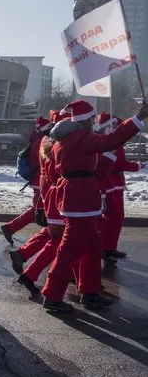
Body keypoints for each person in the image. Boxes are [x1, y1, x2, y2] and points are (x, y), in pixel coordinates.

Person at [41, 100, 148, 312]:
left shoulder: (69, 138)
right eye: (92, 119)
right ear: (86, 120)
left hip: (81, 196)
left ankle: (89, 292)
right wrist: (138, 118)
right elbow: (111, 140)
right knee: (69, 250)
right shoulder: (79, 137)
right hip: (80, 197)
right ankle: (53, 295)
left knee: (93, 247)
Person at [97, 114, 143, 262]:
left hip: (113, 184)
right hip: (110, 184)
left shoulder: (109, 142)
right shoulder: (108, 142)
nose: (117, 128)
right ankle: (104, 247)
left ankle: (109, 247)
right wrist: (137, 166)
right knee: (112, 217)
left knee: (115, 217)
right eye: (115, 125)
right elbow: (120, 164)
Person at [1, 116, 51, 245]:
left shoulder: (38, 140)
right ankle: (11, 228)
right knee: (39, 210)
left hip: (38, 181)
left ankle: (11, 228)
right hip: (41, 181)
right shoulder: (43, 142)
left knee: (41, 209)